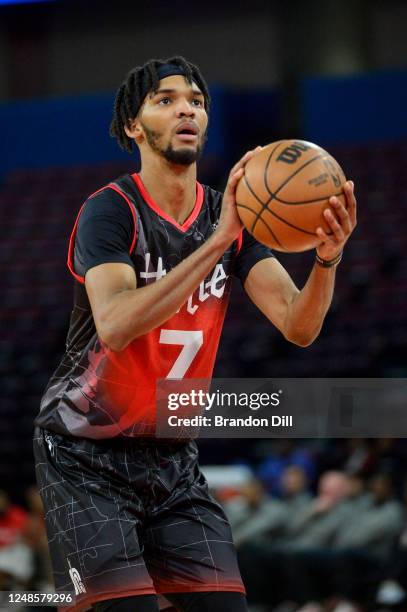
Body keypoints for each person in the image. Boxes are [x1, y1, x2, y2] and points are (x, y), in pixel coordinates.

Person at [33, 56, 357, 612]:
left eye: (197, 100)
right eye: (166, 99)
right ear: (134, 126)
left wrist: (327, 260)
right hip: (85, 455)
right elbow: (114, 324)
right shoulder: (110, 212)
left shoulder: (230, 217)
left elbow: (298, 326)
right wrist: (216, 242)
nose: (187, 108)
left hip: (172, 459)